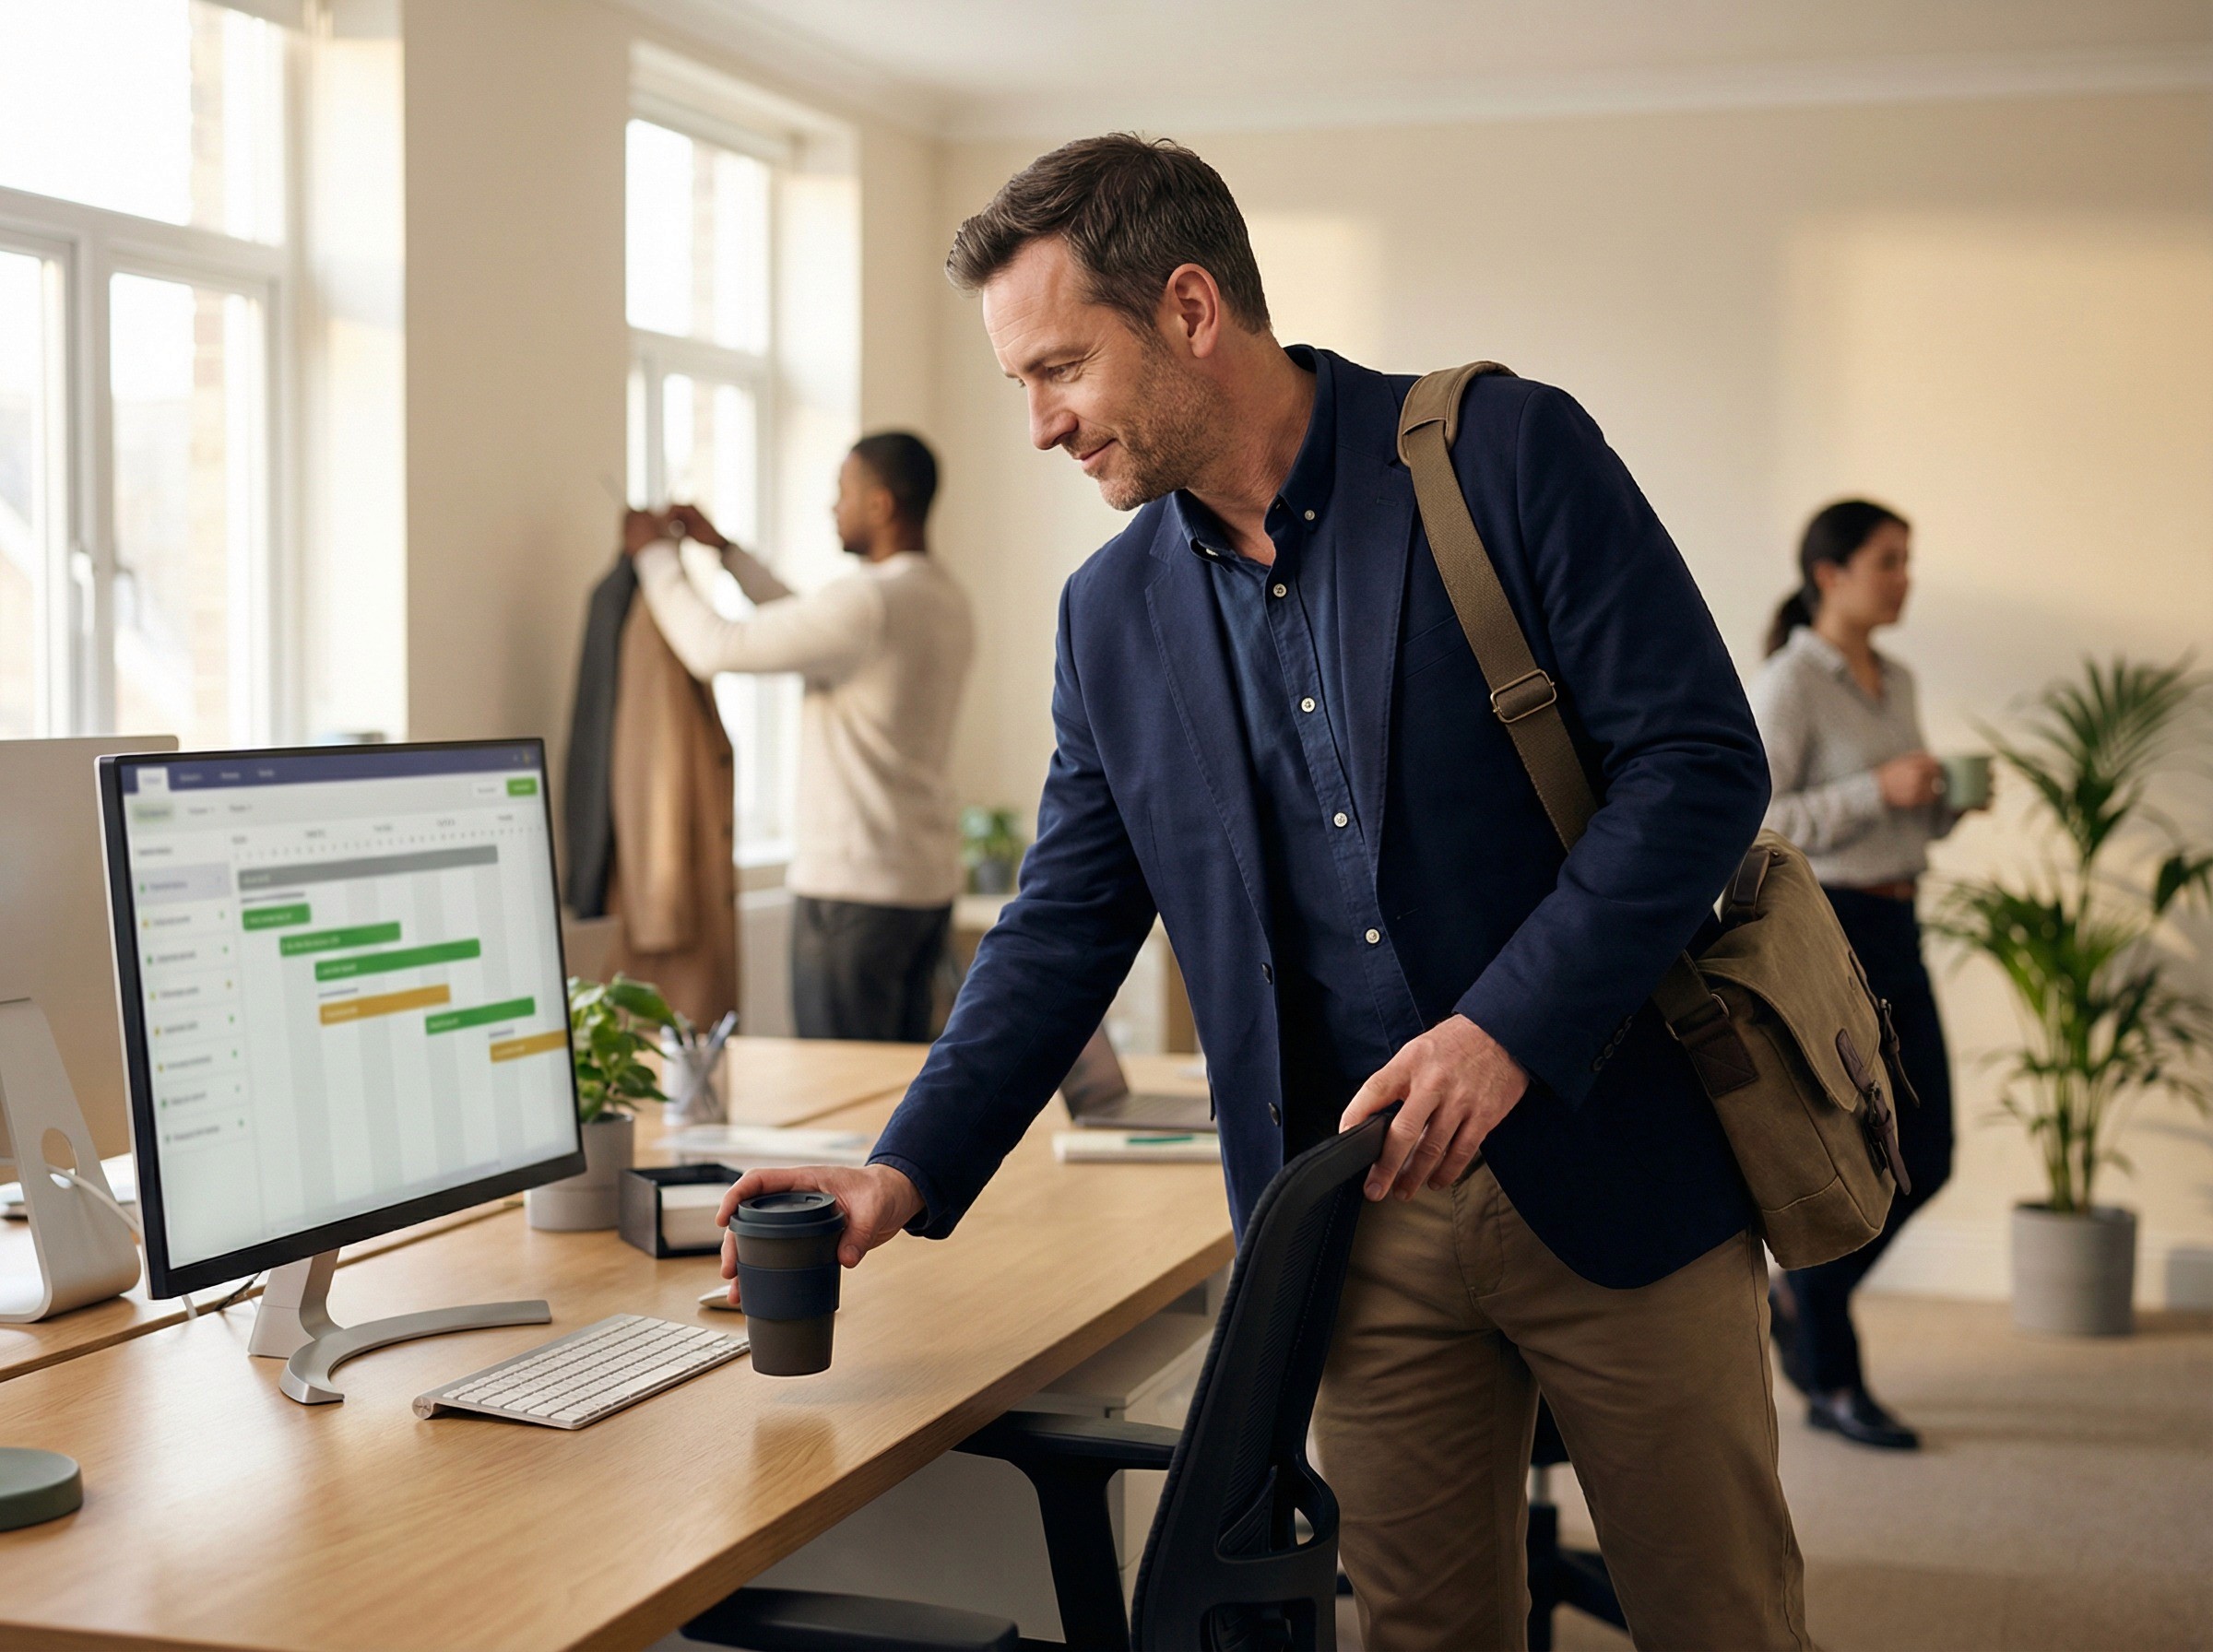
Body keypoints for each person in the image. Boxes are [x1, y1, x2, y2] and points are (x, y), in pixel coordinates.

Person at [716, 136, 1811, 1650]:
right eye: (1016, 384)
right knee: (1422, 1634)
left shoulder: (1499, 453)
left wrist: (1500, 1029)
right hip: (1353, 1209)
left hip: (1612, 1152)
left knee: (1723, 1617)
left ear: (1187, 309)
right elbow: (1064, 918)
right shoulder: (1109, 614)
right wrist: (901, 1169)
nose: (1035, 425)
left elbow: (1699, 764)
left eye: (1057, 370)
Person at [1752, 499, 1980, 1451]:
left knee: (1930, 1153)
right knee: (1856, 1154)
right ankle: (1835, 1375)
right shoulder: (1790, 681)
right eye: (1889, 561)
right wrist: (1873, 791)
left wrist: (1933, 809)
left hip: (1900, 918)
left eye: (1908, 560)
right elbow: (1753, 819)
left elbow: (1890, 816)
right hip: (1831, 930)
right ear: (1831, 573)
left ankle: (1800, 1300)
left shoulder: (1899, 678)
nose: (1905, 578)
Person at [623, 431, 974, 1043]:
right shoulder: (941, 596)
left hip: (851, 899)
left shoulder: (868, 602)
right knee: (900, 1087)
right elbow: (812, 627)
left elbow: (714, 647)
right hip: (921, 891)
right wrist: (726, 553)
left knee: (839, 1091)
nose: (830, 506)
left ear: (881, 505)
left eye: (842, 491)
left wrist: (654, 557)